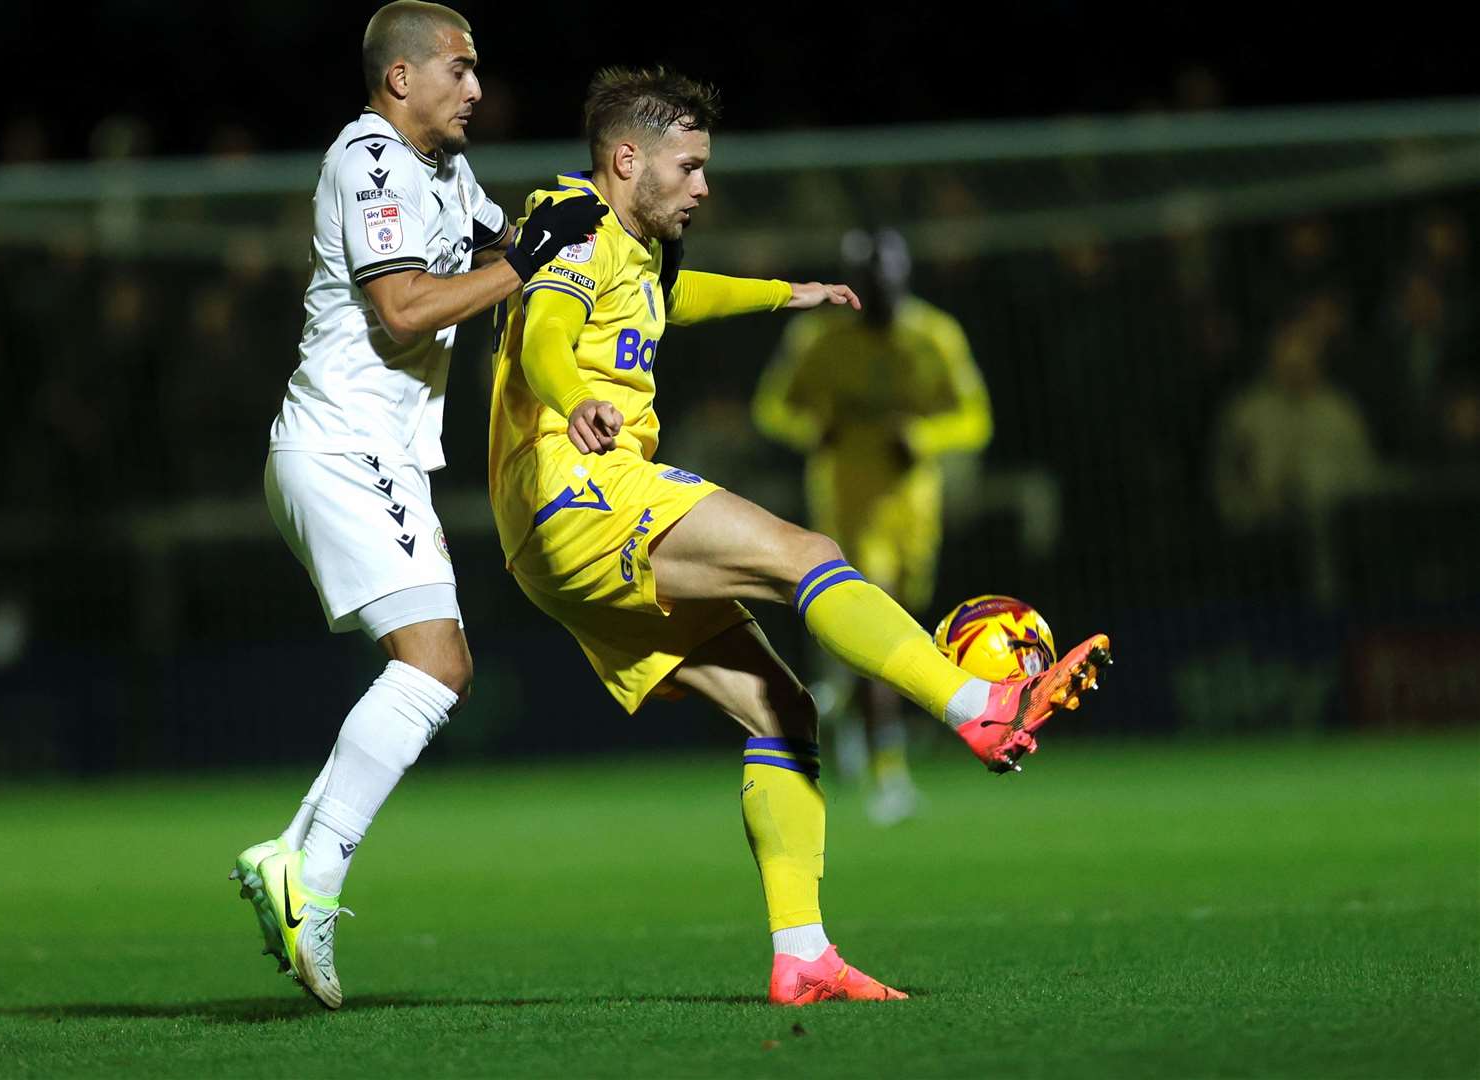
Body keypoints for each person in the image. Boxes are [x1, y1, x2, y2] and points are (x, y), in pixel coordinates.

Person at [487, 66, 1111, 1005]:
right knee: (807, 556)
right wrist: (574, 401)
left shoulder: (633, 253)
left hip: (551, 537)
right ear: (627, 160)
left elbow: (674, 299)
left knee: (784, 710)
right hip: (583, 491)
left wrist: (785, 293)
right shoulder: (579, 228)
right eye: (689, 166)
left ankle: (803, 954)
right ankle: (979, 704)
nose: (704, 185)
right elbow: (544, 329)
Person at [228, 1, 606, 1010]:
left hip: (376, 455)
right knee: (437, 665)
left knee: (441, 669)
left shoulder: (443, 172)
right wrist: (525, 260)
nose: (477, 88)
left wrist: (581, 227)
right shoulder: (374, 161)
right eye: (460, 69)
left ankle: (294, 863)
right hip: (344, 445)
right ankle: (315, 878)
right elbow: (402, 313)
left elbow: (510, 249)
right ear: (401, 79)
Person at [753, 227, 993, 825]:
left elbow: (974, 418)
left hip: (914, 506)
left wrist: (924, 438)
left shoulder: (935, 337)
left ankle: (836, 703)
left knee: (904, 624)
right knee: (884, 631)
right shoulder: (817, 338)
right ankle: (890, 773)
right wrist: (815, 431)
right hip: (846, 506)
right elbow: (772, 407)